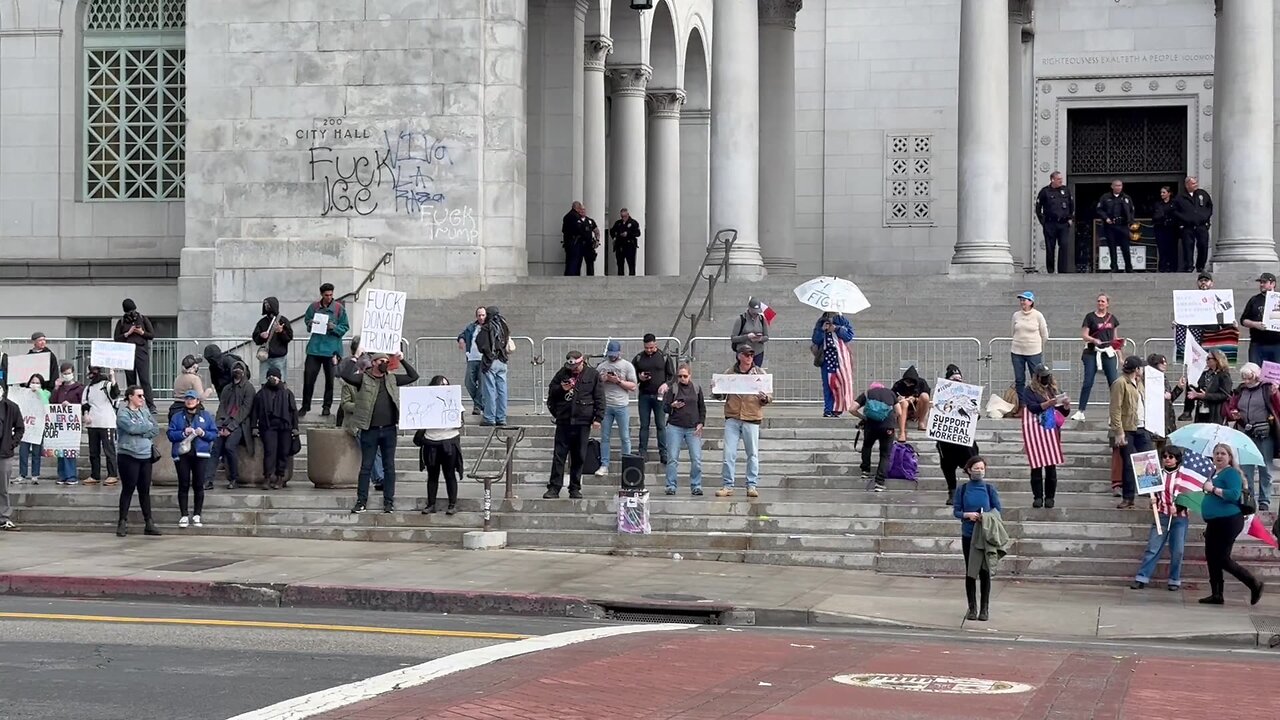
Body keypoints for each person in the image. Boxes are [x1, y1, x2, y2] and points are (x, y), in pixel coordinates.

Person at [340, 351, 420, 514]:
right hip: (370, 429)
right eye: (381, 360)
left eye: (386, 360)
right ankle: (361, 501)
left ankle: (388, 502)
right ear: (374, 362)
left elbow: (413, 376)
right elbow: (345, 375)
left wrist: (402, 359)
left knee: (389, 467)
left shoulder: (391, 378)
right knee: (366, 467)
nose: (385, 363)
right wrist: (356, 356)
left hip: (389, 429)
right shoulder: (363, 379)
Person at [1198, 443, 1264, 606]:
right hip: (1215, 522)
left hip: (1229, 520)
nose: (1219, 456)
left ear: (1229, 457)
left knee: (1221, 558)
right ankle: (1216, 594)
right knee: (1212, 558)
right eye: (1216, 453)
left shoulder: (1231, 473)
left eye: (1223, 453)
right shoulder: (1214, 473)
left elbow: (1234, 495)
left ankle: (1253, 583)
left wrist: (1212, 489)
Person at [544, 351, 605, 499]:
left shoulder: (593, 374)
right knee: (559, 456)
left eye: (576, 366)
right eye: (572, 366)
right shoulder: (563, 373)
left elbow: (600, 397)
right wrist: (561, 389)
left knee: (579, 456)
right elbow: (551, 392)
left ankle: (575, 487)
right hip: (564, 420)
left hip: (583, 421)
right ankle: (554, 487)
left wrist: (598, 418)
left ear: (582, 361)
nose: (574, 369)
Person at [1130, 446, 1190, 591]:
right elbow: (1151, 491)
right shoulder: (1156, 474)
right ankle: (1142, 577)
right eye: (1165, 457)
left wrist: (1180, 506)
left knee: (1178, 550)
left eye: (1171, 457)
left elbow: (1190, 494)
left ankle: (1174, 579)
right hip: (1162, 515)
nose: (1167, 459)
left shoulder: (1184, 475)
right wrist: (1153, 501)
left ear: (1177, 459)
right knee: (1153, 548)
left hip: (1179, 518)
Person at [716, 344, 772, 498]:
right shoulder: (730, 372)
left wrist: (764, 398)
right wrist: (716, 389)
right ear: (739, 356)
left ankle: (751, 485)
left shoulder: (759, 373)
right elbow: (720, 395)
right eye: (746, 355)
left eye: (751, 355)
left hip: (752, 417)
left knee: (752, 454)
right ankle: (728, 485)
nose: (749, 358)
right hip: (733, 416)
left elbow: (770, 396)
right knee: (729, 453)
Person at [1226, 362, 1279, 511]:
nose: (1246, 381)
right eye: (1244, 378)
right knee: (1246, 469)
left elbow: (1277, 407)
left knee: (1265, 468)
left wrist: (1276, 394)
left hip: (1264, 432)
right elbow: (1231, 407)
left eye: (1249, 377)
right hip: (1245, 432)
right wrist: (1234, 413)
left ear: (1256, 376)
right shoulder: (1241, 390)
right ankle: (1249, 498)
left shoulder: (1267, 389)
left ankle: (1264, 500)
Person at [954, 455, 1000, 621]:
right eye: (976, 469)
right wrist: (967, 515)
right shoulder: (963, 489)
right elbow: (956, 511)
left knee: (985, 572)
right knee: (970, 571)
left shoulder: (989, 489)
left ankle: (984, 609)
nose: (979, 471)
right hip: (969, 534)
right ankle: (972, 607)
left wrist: (985, 517)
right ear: (968, 470)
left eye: (982, 468)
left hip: (985, 535)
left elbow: (997, 510)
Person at [338, 339, 384, 492]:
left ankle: (381, 477)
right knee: (369, 447)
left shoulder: (374, 383)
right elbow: (345, 404)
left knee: (377, 449)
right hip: (356, 423)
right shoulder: (350, 385)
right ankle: (379, 478)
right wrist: (360, 406)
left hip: (373, 421)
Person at [1020, 364, 1069, 509]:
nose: (1046, 378)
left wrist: (1065, 405)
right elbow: (1032, 407)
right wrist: (1048, 403)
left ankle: (1049, 497)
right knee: (1036, 466)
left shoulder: (1053, 389)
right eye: (1043, 376)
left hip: (1052, 430)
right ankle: (1038, 497)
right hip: (1036, 431)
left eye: (1048, 375)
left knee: (1050, 466)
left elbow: (1062, 413)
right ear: (1037, 377)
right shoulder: (1029, 390)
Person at [414, 375, 463, 515]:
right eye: (441, 385)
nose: (444, 388)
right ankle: (431, 504)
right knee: (432, 475)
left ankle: (452, 504)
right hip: (431, 441)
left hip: (449, 440)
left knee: (450, 474)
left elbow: (461, 422)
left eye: (446, 385)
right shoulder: (427, 402)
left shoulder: (454, 401)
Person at [115, 385, 160, 538]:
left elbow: (155, 429)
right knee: (128, 489)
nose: (142, 399)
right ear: (130, 397)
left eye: (143, 396)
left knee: (145, 490)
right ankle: (122, 521)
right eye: (139, 396)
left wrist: (142, 428)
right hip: (129, 455)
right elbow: (130, 428)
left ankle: (149, 522)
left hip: (146, 455)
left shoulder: (145, 411)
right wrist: (144, 428)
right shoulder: (123, 413)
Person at [166, 390, 215, 528]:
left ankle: (197, 514)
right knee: (183, 484)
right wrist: (183, 433)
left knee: (199, 484)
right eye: (187, 399)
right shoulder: (177, 417)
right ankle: (184, 515)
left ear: (198, 401)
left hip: (201, 454)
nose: (189, 401)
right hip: (182, 455)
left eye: (192, 399)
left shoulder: (206, 416)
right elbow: (170, 434)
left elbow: (213, 434)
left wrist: (203, 433)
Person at [1109, 355, 1151, 510]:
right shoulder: (1120, 383)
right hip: (1127, 428)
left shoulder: (1139, 383)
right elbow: (1115, 409)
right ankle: (1128, 497)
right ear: (1136, 369)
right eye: (1141, 367)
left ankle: (1151, 494)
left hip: (1142, 426)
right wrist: (1119, 431)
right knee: (1128, 463)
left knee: (1148, 461)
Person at [301, 283, 349, 417]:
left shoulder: (339, 309)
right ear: (322, 294)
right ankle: (305, 405)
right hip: (315, 349)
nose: (329, 297)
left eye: (331, 295)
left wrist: (334, 328)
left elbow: (345, 327)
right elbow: (307, 320)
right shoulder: (314, 307)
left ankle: (326, 406)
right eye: (327, 295)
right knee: (308, 378)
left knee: (330, 381)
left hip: (331, 350)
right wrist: (310, 324)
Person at [936, 365, 980, 505]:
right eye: (954, 379)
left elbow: (973, 418)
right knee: (948, 467)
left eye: (960, 379)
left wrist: (975, 414)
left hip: (964, 439)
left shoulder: (968, 395)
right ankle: (952, 492)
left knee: (972, 463)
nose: (958, 381)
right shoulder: (941, 396)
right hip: (946, 441)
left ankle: (976, 491)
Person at [1073, 294, 1120, 422]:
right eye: (1098, 301)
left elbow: (1115, 338)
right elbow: (1084, 335)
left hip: (1107, 351)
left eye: (1103, 301)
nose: (1100, 303)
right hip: (1092, 352)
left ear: (1107, 304)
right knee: (1088, 381)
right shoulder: (1090, 317)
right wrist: (1093, 340)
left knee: (1114, 384)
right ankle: (1081, 410)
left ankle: (1114, 414)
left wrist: (1120, 356)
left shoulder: (1112, 319)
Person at [594, 340, 637, 476]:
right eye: (610, 354)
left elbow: (633, 386)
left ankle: (627, 463)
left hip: (621, 405)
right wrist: (603, 379)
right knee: (605, 436)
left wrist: (618, 381)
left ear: (619, 352)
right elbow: (594, 385)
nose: (612, 357)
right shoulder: (602, 366)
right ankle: (604, 464)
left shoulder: (627, 366)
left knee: (625, 436)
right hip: (606, 406)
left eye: (614, 354)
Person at [252, 366, 299, 491]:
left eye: (276, 376)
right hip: (268, 426)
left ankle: (280, 477)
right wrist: (254, 426)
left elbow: (293, 410)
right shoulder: (261, 394)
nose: (273, 379)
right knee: (270, 452)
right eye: (271, 376)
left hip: (285, 426)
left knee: (283, 452)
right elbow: (255, 411)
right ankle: (267, 477)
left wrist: (295, 427)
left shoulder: (287, 393)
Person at [210, 364, 256, 490]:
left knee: (229, 446)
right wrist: (219, 426)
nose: (238, 372)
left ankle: (233, 479)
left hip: (240, 425)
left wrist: (231, 427)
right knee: (215, 448)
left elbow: (244, 411)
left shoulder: (249, 388)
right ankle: (207, 480)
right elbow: (222, 408)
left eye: (240, 370)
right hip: (224, 424)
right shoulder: (227, 388)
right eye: (235, 370)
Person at [662, 363, 705, 496]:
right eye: (679, 376)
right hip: (675, 426)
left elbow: (702, 407)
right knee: (673, 458)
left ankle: (696, 485)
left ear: (690, 375)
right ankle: (671, 485)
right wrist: (672, 405)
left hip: (693, 427)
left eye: (685, 376)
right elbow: (664, 407)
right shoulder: (673, 388)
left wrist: (701, 423)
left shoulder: (697, 388)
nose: (682, 378)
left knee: (696, 459)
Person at [633, 334, 675, 464]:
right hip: (644, 395)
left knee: (661, 424)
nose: (649, 350)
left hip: (660, 396)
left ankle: (663, 453)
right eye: (647, 348)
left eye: (651, 347)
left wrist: (666, 384)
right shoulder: (639, 358)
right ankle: (643, 452)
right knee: (644, 425)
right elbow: (631, 374)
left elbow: (672, 376)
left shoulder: (664, 357)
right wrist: (640, 377)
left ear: (656, 344)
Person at [851, 381, 898, 493]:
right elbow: (899, 412)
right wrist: (891, 419)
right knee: (885, 454)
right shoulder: (891, 393)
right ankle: (879, 483)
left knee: (867, 446)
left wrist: (863, 417)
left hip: (871, 426)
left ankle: (865, 471)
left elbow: (852, 409)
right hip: (887, 427)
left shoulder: (867, 393)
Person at [113, 298, 156, 412]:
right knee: (130, 380)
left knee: (144, 379)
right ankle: (132, 404)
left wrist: (142, 333)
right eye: (129, 312)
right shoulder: (121, 321)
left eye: (133, 311)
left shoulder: (142, 318)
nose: (132, 314)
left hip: (141, 351)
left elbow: (151, 335)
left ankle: (151, 405)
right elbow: (116, 338)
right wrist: (128, 333)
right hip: (127, 352)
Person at [812, 312, 855, 418]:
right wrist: (822, 330)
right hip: (826, 357)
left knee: (841, 383)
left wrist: (836, 328)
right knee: (827, 384)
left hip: (841, 357)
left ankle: (838, 408)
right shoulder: (821, 321)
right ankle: (828, 409)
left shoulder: (842, 320)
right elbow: (816, 340)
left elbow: (849, 336)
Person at [82, 367, 120, 487]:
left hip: (106, 422)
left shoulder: (106, 385)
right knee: (93, 451)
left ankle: (112, 474)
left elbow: (115, 394)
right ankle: (95, 475)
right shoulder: (88, 388)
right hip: (92, 423)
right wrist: (86, 414)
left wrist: (113, 378)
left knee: (109, 449)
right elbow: (85, 403)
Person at [475, 305, 511, 427]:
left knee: (489, 390)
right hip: (502, 360)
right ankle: (501, 417)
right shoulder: (503, 326)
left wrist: (488, 356)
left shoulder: (487, 327)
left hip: (491, 361)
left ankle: (489, 417)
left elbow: (481, 344)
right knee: (502, 390)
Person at [51, 362, 85, 486]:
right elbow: (52, 402)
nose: (67, 375)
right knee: (61, 449)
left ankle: (71, 475)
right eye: (64, 373)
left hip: (72, 423)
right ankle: (62, 475)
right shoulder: (59, 388)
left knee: (69, 449)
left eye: (69, 373)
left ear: (73, 373)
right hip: (60, 422)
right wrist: (55, 387)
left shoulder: (79, 388)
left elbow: (83, 403)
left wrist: (71, 406)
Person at [1034, 171, 1074, 273]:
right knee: (1050, 247)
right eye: (1058, 179)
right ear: (1052, 179)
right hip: (1050, 224)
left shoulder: (1066, 190)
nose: (1061, 181)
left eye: (1061, 179)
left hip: (1063, 223)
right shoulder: (1045, 191)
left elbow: (1071, 205)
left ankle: (1062, 271)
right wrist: (1043, 222)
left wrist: (1070, 218)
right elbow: (1038, 208)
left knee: (1064, 245)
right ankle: (1051, 270)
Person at [1010, 291, 1048, 397]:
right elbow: (1013, 331)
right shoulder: (1016, 315)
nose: (1022, 302)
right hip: (1017, 351)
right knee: (1019, 379)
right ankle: (1022, 404)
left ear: (1031, 302)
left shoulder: (1038, 315)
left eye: (1024, 300)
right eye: (1021, 300)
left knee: (1036, 378)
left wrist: (1037, 345)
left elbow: (1044, 334)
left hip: (1033, 352)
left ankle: (1037, 401)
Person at [1172, 176, 1213, 273]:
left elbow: (1209, 206)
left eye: (1196, 183)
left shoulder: (1202, 194)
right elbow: (1174, 211)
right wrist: (1183, 220)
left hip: (1201, 225)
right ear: (1187, 185)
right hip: (1187, 226)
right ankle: (1189, 266)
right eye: (1193, 183)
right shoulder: (1180, 197)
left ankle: (1200, 266)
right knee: (1188, 247)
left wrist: (1205, 219)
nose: (1196, 185)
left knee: (1203, 245)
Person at [1145, 354, 1185, 450]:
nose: (1165, 364)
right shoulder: (1149, 379)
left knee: (1162, 448)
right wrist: (1160, 396)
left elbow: (1169, 399)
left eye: (1165, 361)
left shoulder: (1164, 378)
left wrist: (1178, 388)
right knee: (1153, 448)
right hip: (1155, 419)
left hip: (1165, 419)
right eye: (1162, 362)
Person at [1240, 273, 1280, 366]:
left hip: (1277, 344)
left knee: (1276, 376)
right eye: (1260, 282)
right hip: (1257, 344)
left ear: (1273, 284)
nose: (1261, 284)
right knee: (1256, 373)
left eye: (1264, 282)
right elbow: (1243, 320)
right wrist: (1255, 324)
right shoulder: (1254, 300)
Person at [1095, 179, 1135, 272]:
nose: (1118, 187)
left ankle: (1129, 267)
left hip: (1123, 225)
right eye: (1116, 186)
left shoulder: (1126, 198)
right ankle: (1114, 267)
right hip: (1111, 226)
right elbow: (1099, 209)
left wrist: (1131, 221)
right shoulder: (1105, 197)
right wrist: (1106, 218)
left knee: (1125, 247)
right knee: (1112, 247)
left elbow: (1132, 210)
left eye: (1120, 185)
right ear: (1112, 186)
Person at [252, 296, 294, 381]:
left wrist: (281, 331)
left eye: (268, 305)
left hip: (279, 357)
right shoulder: (262, 322)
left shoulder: (283, 321)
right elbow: (255, 338)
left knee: (280, 382)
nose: (267, 307)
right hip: (265, 357)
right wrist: (261, 336)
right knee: (264, 381)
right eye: (265, 305)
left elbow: (289, 338)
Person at [0, 387, 25, 531]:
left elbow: (20, 428)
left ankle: (4, 518)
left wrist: (12, 444)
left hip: (4, 453)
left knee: (2, 488)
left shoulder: (11, 407)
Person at [1186, 350, 1233, 425]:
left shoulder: (1224, 376)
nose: (1206, 361)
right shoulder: (1204, 374)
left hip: (1216, 412)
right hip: (1201, 411)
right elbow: (1199, 390)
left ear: (1217, 360)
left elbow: (1225, 394)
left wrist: (1206, 396)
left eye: (1208, 358)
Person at [17, 375, 49, 484]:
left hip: (38, 427)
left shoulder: (46, 393)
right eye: (33, 382)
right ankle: (22, 474)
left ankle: (35, 475)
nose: (34, 384)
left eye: (37, 382)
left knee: (36, 452)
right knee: (23, 452)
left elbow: (46, 403)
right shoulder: (25, 393)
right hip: (26, 426)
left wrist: (39, 391)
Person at [456, 306, 487, 416]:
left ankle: (477, 406)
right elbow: (463, 334)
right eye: (479, 315)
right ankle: (479, 404)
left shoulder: (489, 327)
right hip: (472, 358)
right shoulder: (472, 327)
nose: (481, 317)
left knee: (482, 383)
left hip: (484, 359)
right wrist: (461, 339)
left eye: (483, 315)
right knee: (468, 382)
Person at [892, 366, 932, 440]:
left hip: (917, 409)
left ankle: (921, 422)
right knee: (904, 403)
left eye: (910, 382)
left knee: (925, 396)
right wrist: (899, 398)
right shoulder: (899, 384)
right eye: (907, 382)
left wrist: (915, 398)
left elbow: (927, 397)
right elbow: (892, 395)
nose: (908, 384)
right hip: (903, 409)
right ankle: (902, 432)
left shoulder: (922, 383)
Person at [561, 201, 600, 276]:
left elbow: (596, 231)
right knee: (575, 263)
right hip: (577, 244)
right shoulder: (574, 217)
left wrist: (597, 240)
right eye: (580, 209)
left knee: (589, 264)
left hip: (588, 245)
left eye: (583, 210)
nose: (582, 211)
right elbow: (578, 230)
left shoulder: (590, 221)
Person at [171, 354, 213, 421]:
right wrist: (209, 391)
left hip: (175, 408)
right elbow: (200, 397)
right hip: (190, 409)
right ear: (194, 367)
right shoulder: (195, 379)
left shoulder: (178, 378)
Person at [729, 298, 769, 367]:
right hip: (743, 353)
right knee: (743, 373)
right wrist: (747, 337)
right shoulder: (741, 319)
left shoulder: (762, 319)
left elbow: (766, 337)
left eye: (757, 312)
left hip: (758, 352)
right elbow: (733, 338)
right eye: (753, 312)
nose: (755, 314)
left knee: (756, 373)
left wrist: (759, 339)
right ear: (749, 308)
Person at [1152, 185, 1179, 273]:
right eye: (1161, 192)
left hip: (1172, 229)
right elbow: (1156, 215)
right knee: (1162, 249)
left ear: (1169, 193)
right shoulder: (1158, 204)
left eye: (1164, 192)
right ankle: (1163, 267)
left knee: (1172, 248)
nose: (1162, 194)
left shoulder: (1174, 203)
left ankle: (1173, 267)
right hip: (1160, 228)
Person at [609, 208, 641, 276]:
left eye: (625, 216)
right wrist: (614, 237)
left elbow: (638, 233)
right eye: (622, 216)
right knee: (620, 264)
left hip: (630, 245)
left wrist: (628, 234)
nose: (623, 218)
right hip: (620, 245)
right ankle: (620, 278)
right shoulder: (618, 223)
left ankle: (632, 279)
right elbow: (612, 231)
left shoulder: (633, 223)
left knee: (631, 264)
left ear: (628, 215)